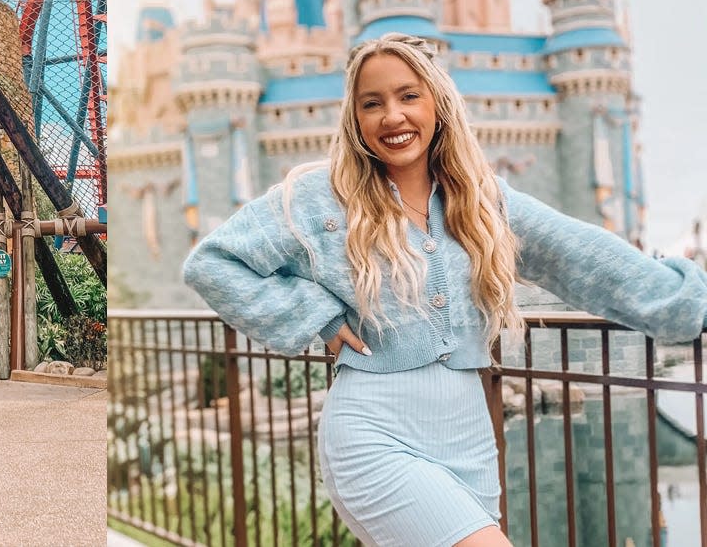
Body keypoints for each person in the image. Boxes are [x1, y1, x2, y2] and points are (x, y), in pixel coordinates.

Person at [183, 33, 707, 547]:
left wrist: (688, 304)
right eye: (373, 103)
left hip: (469, 437)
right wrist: (314, 314)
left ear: (438, 102)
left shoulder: (482, 200)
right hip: (373, 432)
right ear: (355, 119)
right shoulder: (319, 196)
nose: (393, 116)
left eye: (409, 95)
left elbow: (584, 259)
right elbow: (213, 262)